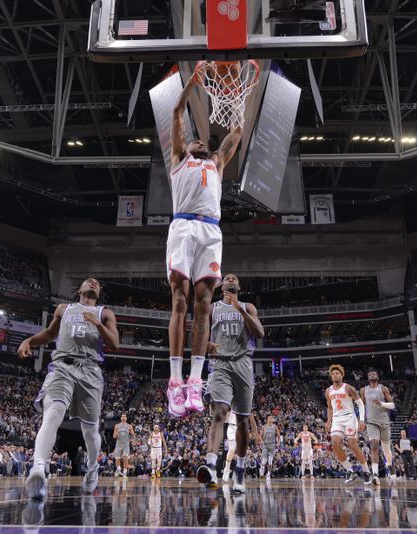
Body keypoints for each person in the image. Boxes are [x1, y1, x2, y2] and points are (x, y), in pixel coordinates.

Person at [166, 71, 243, 418]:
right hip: (182, 226)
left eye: (202, 140)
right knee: (179, 300)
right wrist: (192, 83)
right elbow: (176, 115)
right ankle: (174, 381)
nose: (198, 142)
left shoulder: (217, 163)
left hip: (211, 231)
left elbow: (236, 133)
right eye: (194, 140)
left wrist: (235, 92)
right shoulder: (179, 159)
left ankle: (196, 380)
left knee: (203, 306)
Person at [18, 278, 119, 498]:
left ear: (99, 292)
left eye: (97, 282)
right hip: (62, 366)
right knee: (53, 413)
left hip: (90, 371)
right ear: (79, 290)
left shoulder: (105, 313)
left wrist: (98, 324)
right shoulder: (64, 309)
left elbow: (115, 344)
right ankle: (38, 468)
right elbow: (50, 334)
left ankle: (92, 468)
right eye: (88, 280)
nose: (93, 282)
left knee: (90, 430)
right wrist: (30, 341)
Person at [197, 273, 263, 493]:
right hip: (220, 364)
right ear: (221, 285)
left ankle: (240, 470)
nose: (231, 279)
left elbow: (260, 333)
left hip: (243, 363)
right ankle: (211, 464)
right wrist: (205, 344)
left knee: (243, 423)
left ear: (239, 286)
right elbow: (198, 333)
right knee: (219, 413)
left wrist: (240, 309)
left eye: (235, 278)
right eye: (227, 277)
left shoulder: (248, 306)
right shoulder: (212, 308)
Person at [325, 364, 372, 485]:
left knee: (353, 445)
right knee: (335, 444)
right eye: (333, 373)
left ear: (342, 375)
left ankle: (366, 471)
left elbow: (361, 404)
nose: (335, 375)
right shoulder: (328, 391)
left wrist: (362, 420)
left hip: (350, 417)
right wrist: (329, 421)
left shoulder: (348, 388)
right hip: (337, 419)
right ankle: (350, 471)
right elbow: (330, 407)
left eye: (337, 373)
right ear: (331, 376)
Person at [360, 370, 395, 485]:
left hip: (384, 422)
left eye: (374, 374)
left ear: (378, 377)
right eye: (370, 374)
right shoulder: (363, 390)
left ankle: (390, 465)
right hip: (371, 422)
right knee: (374, 446)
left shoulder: (383, 389)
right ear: (367, 378)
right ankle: (375, 474)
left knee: (386, 450)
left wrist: (382, 404)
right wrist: (361, 420)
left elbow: (392, 405)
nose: (372, 375)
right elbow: (361, 406)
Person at [113, 414, 135, 478]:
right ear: (120, 418)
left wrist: (132, 440)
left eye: (125, 416)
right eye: (122, 416)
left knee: (125, 458)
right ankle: (118, 469)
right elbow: (114, 436)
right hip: (119, 443)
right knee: (117, 459)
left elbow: (133, 434)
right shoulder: (117, 426)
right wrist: (117, 432)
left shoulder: (129, 426)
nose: (123, 417)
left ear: (126, 418)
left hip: (126, 443)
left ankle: (125, 473)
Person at [259, 416, 280, 481]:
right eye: (269, 418)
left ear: (273, 420)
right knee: (264, 460)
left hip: (272, 445)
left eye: (272, 418)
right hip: (265, 444)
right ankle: (262, 471)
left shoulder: (275, 427)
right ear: (267, 419)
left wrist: (278, 442)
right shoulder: (264, 426)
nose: (271, 419)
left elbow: (279, 435)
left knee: (270, 461)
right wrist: (261, 441)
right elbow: (260, 435)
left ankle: (268, 474)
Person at [222, 410, 238, 483]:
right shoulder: (231, 405)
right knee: (232, 448)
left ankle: (237, 472)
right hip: (232, 427)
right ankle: (227, 468)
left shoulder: (245, 405)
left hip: (241, 428)